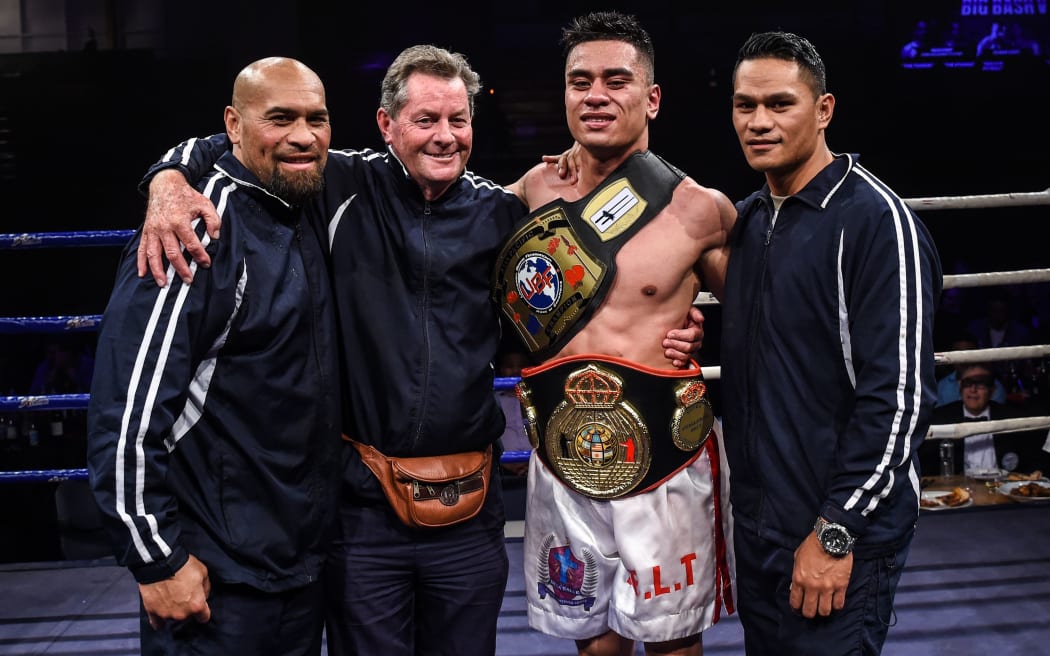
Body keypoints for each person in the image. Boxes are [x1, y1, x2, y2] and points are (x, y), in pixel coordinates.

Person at [134, 45, 706, 655]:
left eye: (458, 121)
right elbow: (236, 147)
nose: (445, 137)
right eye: (425, 120)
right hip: (362, 511)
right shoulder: (339, 187)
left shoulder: (501, 212)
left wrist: (679, 323)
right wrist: (167, 181)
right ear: (387, 125)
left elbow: (569, 304)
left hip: (470, 508)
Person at [86, 57, 342, 655]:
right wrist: (155, 559)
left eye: (317, 118)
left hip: (297, 570)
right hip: (214, 580)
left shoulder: (306, 205)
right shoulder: (195, 230)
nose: (303, 135)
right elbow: (127, 410)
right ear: (233, 124)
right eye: (280, 118)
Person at [502, 12, 736, 656]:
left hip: (664, 462)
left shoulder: (700, 209)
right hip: (562, 462)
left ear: (651, 97)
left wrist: (703, 336)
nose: (596, 95)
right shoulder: (528, 193)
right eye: (580, 82)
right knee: (595, 647)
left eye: (616, 80)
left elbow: (763, 320)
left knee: (670, 647)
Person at [720, 31, 942, 656]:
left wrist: (836, 530)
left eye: (780, 104)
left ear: (824, 111)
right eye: (745, 105)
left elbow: (898, 400)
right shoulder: (754, 221)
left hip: (839, 534)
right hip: (761, 528)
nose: (758, 121)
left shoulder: (877, 222)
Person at [924, 362, 1050, 477]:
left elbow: (1033, 460)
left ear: (992, 390)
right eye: (967, 383)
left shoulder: (1011, 417)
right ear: (960, 387)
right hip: (957, 490)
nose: (973, 389)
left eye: (980, 383)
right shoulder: (940, 418)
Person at [936, 331, 1008, 407]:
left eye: (967, 353)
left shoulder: (995, 387)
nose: (962, 359)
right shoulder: (942, 385)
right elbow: (939, 416)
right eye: (957, 354)